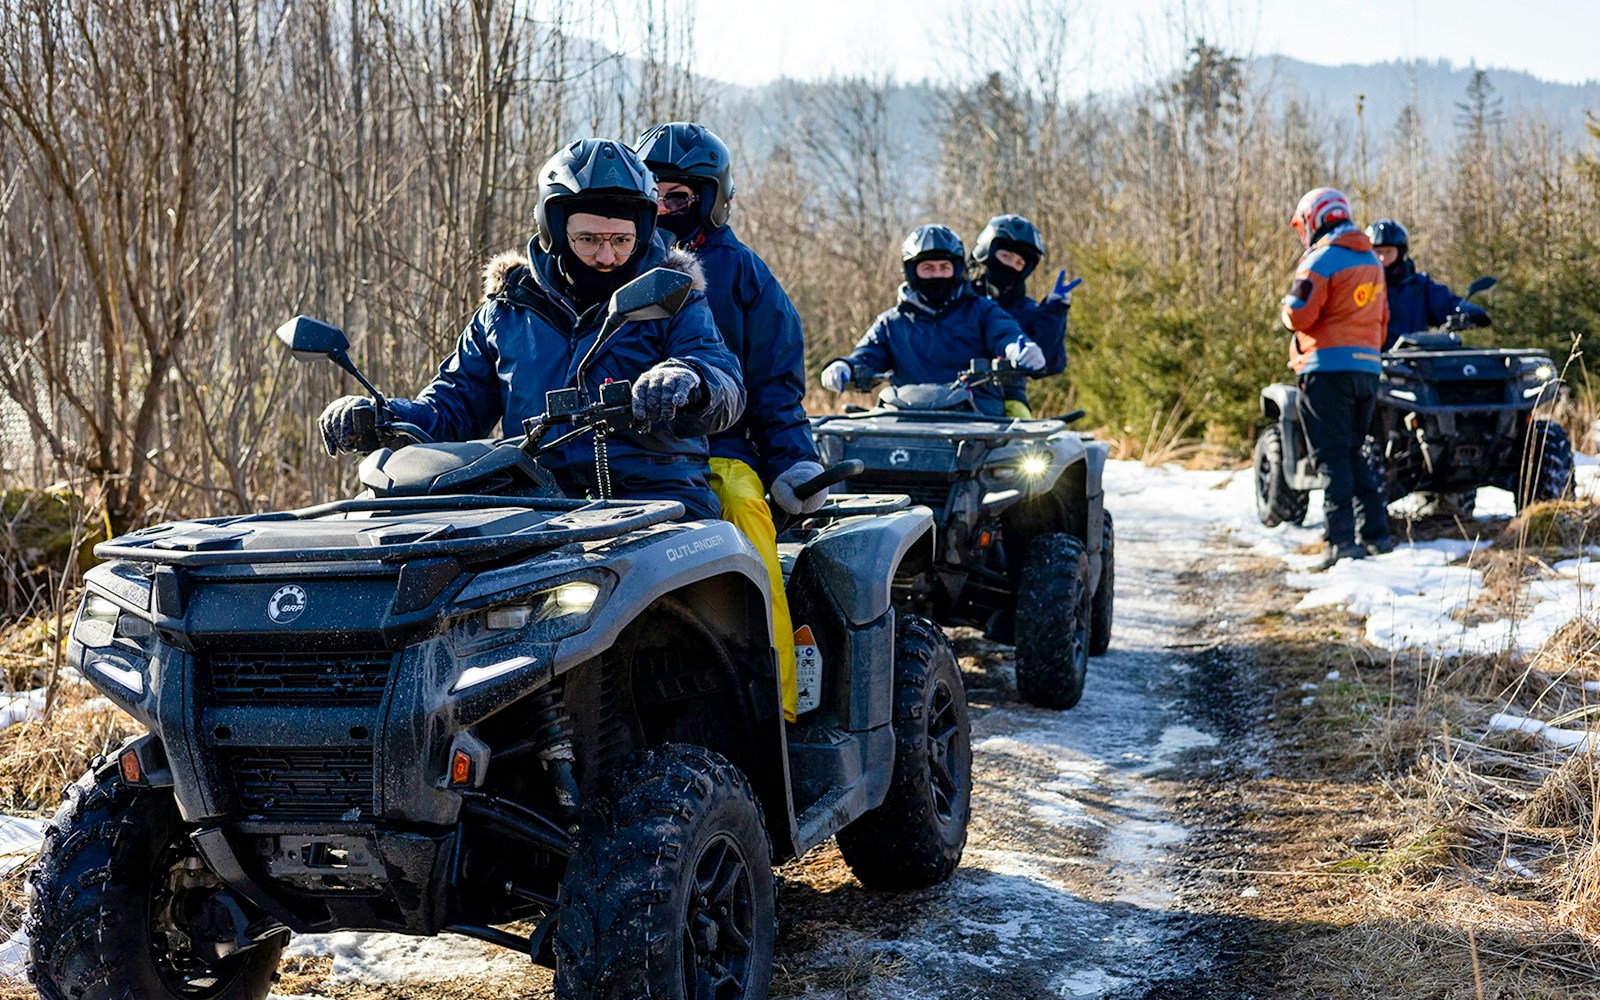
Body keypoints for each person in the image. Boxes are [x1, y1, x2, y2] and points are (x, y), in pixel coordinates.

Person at [317, 137, 744, 523]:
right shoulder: (508, 310)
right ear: (556, 232)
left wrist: (689, 380)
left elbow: (721, 377)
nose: (606, 255)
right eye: (588, 239)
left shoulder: (673, 295)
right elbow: (450, 409)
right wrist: (382, 416)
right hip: (533, 503)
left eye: (621, 240)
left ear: (643, 232)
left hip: (659, 502)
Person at [635, 120, 825, 723]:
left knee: (746, 518)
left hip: (720, 449)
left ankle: (780, 705)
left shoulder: (744, 274)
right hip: (615, 457)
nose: (664, 210)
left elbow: (774, 383)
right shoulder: (613, 264)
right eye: (652, 195)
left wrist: (792, 459)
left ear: (712, 199)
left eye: (680, 198)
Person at [1282, 187, 1392, 569]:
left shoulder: (1322, 258)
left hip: (1325, 370)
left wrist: (1285, 311)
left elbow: (1299, 313)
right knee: (1351, 451)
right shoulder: (1372, 262)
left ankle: (1340, 542)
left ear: (1313, 218)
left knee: (1331, 457)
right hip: (1366, 369)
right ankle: (1377, 534)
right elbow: (1382, 321)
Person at [822, 225, 1041, 416]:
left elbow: (1006, 333)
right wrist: (845, 365)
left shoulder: (983, 310)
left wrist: (1019, 349)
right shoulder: (891, 322)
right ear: (911, 272)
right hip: (905, 422)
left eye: (944, 267)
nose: (937, 275)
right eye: (927, 268)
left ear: (956, 270)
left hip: (978, 420)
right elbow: (868, 354)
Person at [970, 214, 1069, 418]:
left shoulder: (1028, 310)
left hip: (1009, 398)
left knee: (1026, 440)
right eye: (1005, 256)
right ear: (987, 251)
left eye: (1019, 263)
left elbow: (1049, 364)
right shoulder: (960, 301)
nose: (1010, 266)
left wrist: (1053, 313)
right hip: (950, 392)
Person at [1365, 218, 1491, 349]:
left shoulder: (1419, 285)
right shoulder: (1361, 286)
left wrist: (1468, 312)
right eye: (1378, 252)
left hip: (1412, 361)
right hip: (1369, 361)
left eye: (1388, 251)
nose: (1383, 258)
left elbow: (1446, 304)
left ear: (1400, 252)